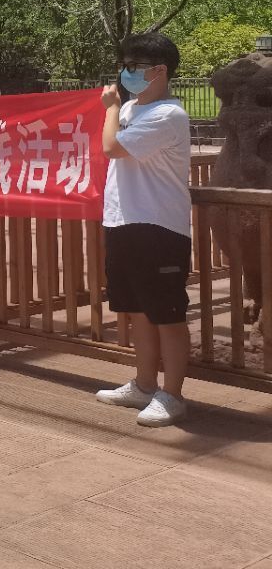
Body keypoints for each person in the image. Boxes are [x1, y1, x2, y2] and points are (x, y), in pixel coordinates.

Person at [94, 32, 193, 428]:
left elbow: (112, 148)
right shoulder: (131, 108)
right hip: (123, 220)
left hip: (159, 226)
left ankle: (173, 395)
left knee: (167, 313)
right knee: (137, 311)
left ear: (160, 71)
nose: (127, 72)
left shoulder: (168, 115)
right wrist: (118, 109)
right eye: (125, 65)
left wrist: (110, 110)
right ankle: (145, 384)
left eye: (135, 66)